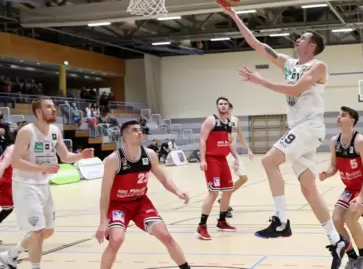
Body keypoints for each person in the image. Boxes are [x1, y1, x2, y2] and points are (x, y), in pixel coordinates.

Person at [221, 5, 349, 267]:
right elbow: (257, 44)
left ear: (312, 45)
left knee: (269, 161)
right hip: (299, 130)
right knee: (308, 188)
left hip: (309, 126)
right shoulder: (289, 63)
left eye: (302, 37)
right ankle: (335, 239)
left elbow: (297, 88)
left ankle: (281, 220)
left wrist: (261, 82)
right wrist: (234, 16)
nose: (297, 39)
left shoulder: (318, 66)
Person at [0, 97, 94, 269]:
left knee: (48, 231)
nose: (54, 109)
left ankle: (11, 255)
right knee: (38, 232)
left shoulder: (55, 131)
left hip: (43, 185)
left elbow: (65, 157)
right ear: (38, 111)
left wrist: (81, 155)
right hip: (25, 185)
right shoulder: (27, 132)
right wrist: (42, 168)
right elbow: (15, 162)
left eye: (53, 106)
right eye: (49, 107)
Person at [95, 120, 191, 269]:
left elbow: (163, 178)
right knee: (116, 240)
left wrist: (178, 191)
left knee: (165, 235)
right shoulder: (113, 160)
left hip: (141, 203)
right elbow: (105, 194)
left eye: (140, 129)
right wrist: (103, 222)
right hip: (118, 205)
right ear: (125, 136)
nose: (140, 132)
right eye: (134, 130)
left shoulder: (149, 154)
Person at [319, 107, 363, 269]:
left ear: (352, 121)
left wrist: (361, 197)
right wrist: (327, 173)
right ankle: (352, 257)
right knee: (337, 221)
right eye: (338, 114)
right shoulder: (334, 141)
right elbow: (334, 166)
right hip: (350, 187)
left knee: (351, 217)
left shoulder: (361, 141)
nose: (339, 117)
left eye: (343, 115)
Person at [196, 97, 240, 240]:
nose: (223, 106)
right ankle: (201, 226)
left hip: (223, 159)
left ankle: (222, 221)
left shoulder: (229, 123)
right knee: (213, 193)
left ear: (228, 106)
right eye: (220, 104)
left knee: (228, 191)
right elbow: (202, 139)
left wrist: (236, 157)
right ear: (217, 106)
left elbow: (230, 142)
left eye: (225, 104)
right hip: (211, 159)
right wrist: (202, 159)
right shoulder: (211, 120)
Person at [218, 102, 254, 218]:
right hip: (223, 155)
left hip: (234, 155)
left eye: (228, 108)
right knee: (227, 182)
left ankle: (224, 198)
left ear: (231, 109)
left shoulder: (235, 120)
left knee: (244, 178)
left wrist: (248, 149)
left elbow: (241, 136)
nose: (226, 110)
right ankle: (225, 207)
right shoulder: (218, 122)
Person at [0, 126, 26, 244]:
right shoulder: (13, 149)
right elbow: (2, 165)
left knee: (15, 209)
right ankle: (29, 238)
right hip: (6, 181)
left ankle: (30, 237)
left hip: (15, 182)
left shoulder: (24, 149)